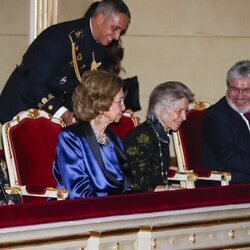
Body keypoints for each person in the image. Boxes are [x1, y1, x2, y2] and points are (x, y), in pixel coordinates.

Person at [0, 0, 131, 125]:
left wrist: (117, 109)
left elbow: (85, 87)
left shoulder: (100, 45)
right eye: (115, 28)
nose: (117, 36)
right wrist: (63, 114)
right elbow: (32, 84)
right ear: (101, 18)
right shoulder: (60, 38)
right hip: (22, 110)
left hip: (54, 112)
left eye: (121, 31)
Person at [53, 70, 132, 199]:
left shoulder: (113, 138)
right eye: (120, 101)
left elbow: (126, 186)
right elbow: (78, 192)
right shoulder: (70, 137)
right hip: (83, 210)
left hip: (115, 209)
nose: (123, 107)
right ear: (101, 104)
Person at [123, 81, 194, 192]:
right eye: (179, 111)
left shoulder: (160, 134)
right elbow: (138, 186)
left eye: (185, 111)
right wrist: (171, 190)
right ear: (159, 109)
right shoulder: (141, 138)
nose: (184, 117)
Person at [202, 60, 250, 184]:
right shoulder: (215, 117)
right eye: (235, 89)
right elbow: (231, 160)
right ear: (228, 87)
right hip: (228, 181)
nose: (240, 95)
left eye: (246, 90)